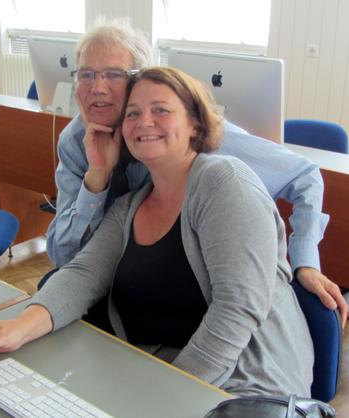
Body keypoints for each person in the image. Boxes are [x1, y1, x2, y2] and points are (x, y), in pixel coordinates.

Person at [0, 67, 314, 397]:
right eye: (132, 114)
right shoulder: (129, 207)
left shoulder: (224, 183)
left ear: (195, 125)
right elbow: (82, 275)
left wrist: (170, 394)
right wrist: (19, 326)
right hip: (157, 375)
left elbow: (237, 311)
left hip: (245, 385)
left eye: (160, 110)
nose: (144, 121)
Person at [44, 16, 347, 323]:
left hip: (191, 291)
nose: (97, 87)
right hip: (117, 284)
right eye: (86, 74)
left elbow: (304, 175)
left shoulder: (186, 132)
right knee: (51, 293)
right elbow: (64, 256)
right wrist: (96, 179)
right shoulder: (76, 140)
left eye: (113, 74)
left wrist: (306, 261)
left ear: (138, 80)